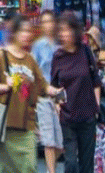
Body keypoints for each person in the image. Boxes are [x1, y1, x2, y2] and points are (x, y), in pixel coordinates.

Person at [0, 14, 51, 173]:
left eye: (29, 31)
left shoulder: (30, 60)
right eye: (23, 31)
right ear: (14, 33)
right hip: (6, 126)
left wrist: (58, 92)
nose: (27, 35)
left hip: (27, 124)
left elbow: (42, 85)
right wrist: (6, 85)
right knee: (8, 170)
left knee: (30, 167)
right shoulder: (2, 57)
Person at [52, 11, 101, 173]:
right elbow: (54, 86)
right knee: (71, 163)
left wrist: (97, 107)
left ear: (75, 31)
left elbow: (96, 81)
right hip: (68, 117)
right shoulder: (58, 57)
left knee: (87, 164)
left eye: (68, 30)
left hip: (87, 116)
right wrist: (58, 105)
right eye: (62, 30)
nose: (65, 34)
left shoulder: (85, 51)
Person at [33, 11, 63, 173]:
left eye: (50, 21)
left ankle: (51, 168)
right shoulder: (38, 46)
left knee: (60, 142)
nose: (47, 25)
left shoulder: (60, 44)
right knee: (49, 141)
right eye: (44, 22)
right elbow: (34, 71)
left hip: (60, 97)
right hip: (44, 96)